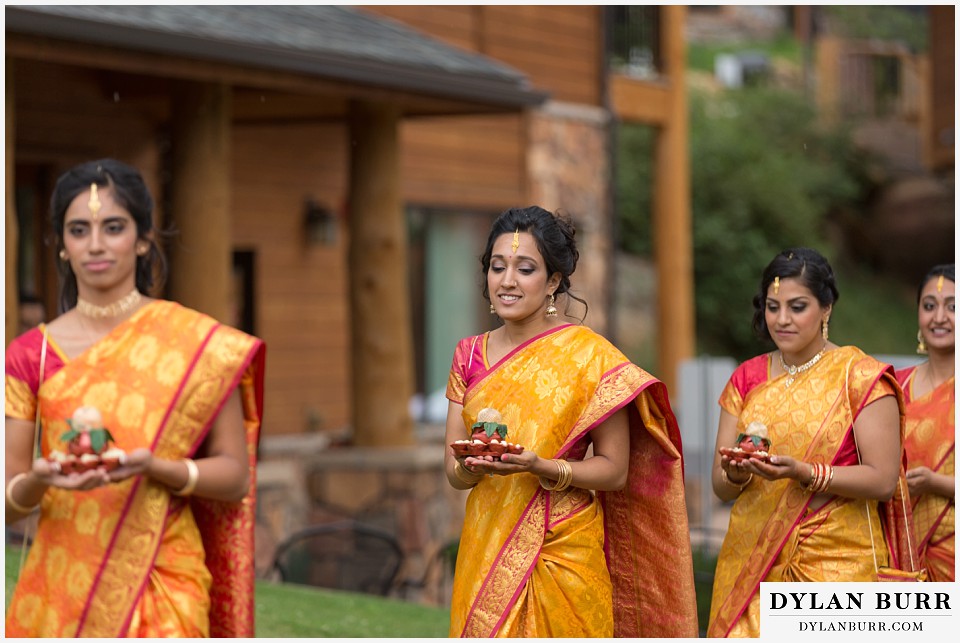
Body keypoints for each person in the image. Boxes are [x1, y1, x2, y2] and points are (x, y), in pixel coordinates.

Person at [5, 159, 266, 637]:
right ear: (62, 246)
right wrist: (39, 480)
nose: (96, 244)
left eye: (114, 227)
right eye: (79, 230)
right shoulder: (30, 356)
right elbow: (8, 500)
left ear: (143, 239)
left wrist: (157, 468)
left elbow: (234, 478)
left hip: (164, 576)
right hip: (64, 587)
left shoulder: (193, 344)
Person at [443, 205, 698, 638]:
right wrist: (473, 465)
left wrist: (540, 467)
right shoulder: (468, 355)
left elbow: (615, 471)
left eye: (525, 269)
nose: (507, 281)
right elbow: (452, 469)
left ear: (554, 281)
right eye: (497, 267)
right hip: (485, 546)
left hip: (562, 548)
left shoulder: (589, 357)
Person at [707, 247, 921, 638]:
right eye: (773, 307)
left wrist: (805, 472)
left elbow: (883, 479)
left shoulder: (859, 377)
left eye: (797, 306)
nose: (782, 320)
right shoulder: (747, 379)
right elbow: (720, 488)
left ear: (826, 309)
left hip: (837, 570)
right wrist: (736, 473)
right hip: (753, 564)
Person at [896, 264, 954, 582]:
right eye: (929, 306)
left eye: (953, 307)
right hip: (898, 554)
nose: (939, 317)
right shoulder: (895, 387)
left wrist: (936, 483)